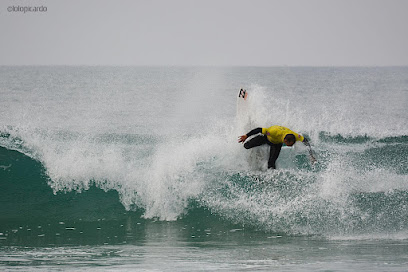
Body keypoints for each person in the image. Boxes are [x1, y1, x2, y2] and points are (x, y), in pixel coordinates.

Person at [238, 125, 316, 169]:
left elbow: (306, 141)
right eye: (290, 144)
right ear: (285, 141)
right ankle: (258, 149)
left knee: (271, 164)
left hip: (276, 144)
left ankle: (269, 179)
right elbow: (259, 129)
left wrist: (311, 155)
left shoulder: (295, 136)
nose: (291, 146)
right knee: (246, 146)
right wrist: (246, 135)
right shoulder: (273, 132)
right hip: (266, 138)